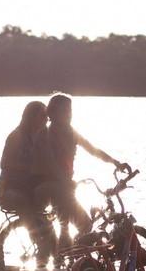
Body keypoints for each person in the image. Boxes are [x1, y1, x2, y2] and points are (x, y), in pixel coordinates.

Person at [41, 93, 128, 238]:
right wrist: (64, 181)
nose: (70, 114)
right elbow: (49, 163)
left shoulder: (70, 132)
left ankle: (67, 257)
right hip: (56, 187)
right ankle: (64, 258)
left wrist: (114, 162)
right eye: (66, 111)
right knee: (84, 225)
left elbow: (92, 150)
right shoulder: (49, 134)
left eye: (70, 111)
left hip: (65, 186)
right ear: (54, 113)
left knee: (68, 226)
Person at [0, 101, 56, 262]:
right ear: (31, 117)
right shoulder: (16, 136)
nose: (46, 119)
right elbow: (4, 163)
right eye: (43, 116)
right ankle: (39, 244)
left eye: (48, 117)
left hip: (29, 189)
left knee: (55, 195)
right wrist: (30, 167)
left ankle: (59, 250)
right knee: (23, 202)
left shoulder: (44, 139)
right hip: (8, 190)